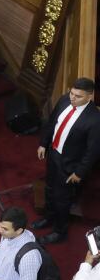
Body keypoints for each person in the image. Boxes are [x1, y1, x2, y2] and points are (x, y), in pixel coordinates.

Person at [34, 77, 100, 243]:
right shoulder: (64, 99)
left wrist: (80, 172)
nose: (72, 98)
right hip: (54, 153)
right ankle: (48, 218)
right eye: (72, 93)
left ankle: (59, 232)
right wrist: (43, 144)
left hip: (71, 164)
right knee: (49, 188)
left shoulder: (95, 119)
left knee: (62, 199)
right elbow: (52, 123)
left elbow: (93, 151)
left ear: (89, 96)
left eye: (78, 96)